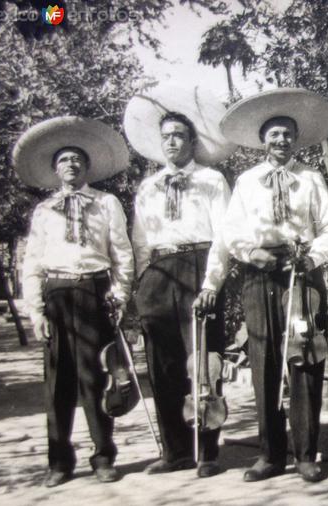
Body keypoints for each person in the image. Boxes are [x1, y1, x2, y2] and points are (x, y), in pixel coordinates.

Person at [215, 87, 328, 483]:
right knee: (265, 362)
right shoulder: (247, 181)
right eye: (274, 134)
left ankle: (306, 453)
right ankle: (270, 455)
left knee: (305, 358)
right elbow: (231, 230)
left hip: (302, 272)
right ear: (262, 140)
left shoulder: (310, 178)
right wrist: (251, 253)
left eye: (288, 133)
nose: (281, 140)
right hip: (259, 272)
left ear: (296, 139)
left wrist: (312, 257)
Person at [124, 83, 236, 478]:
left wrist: (211, 284)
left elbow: (224, 235)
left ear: (192, 141)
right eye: (166, 136)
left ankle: (207, 451)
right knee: (163, 365)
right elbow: (139, 241)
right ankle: (175, 451)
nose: (172, 142)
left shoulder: (212, 179)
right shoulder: (148, 186)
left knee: (203, 363)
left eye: (179, 135)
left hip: (197, 267)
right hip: (157, 273)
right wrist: (139, 288)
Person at [16, 116, 134, 487]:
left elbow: (122, 253)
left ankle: (103, 456)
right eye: (64, 160)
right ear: (55, 169)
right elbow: (32, 262)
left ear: (87, 167)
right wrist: (36, 310)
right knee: (58, 383)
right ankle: (59, 462)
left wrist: (118, 295)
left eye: (77, 160)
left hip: (93, 291)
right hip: (56, 294)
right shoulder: (44, 210)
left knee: (96, 377)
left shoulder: (106, 203)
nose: (71, 165)